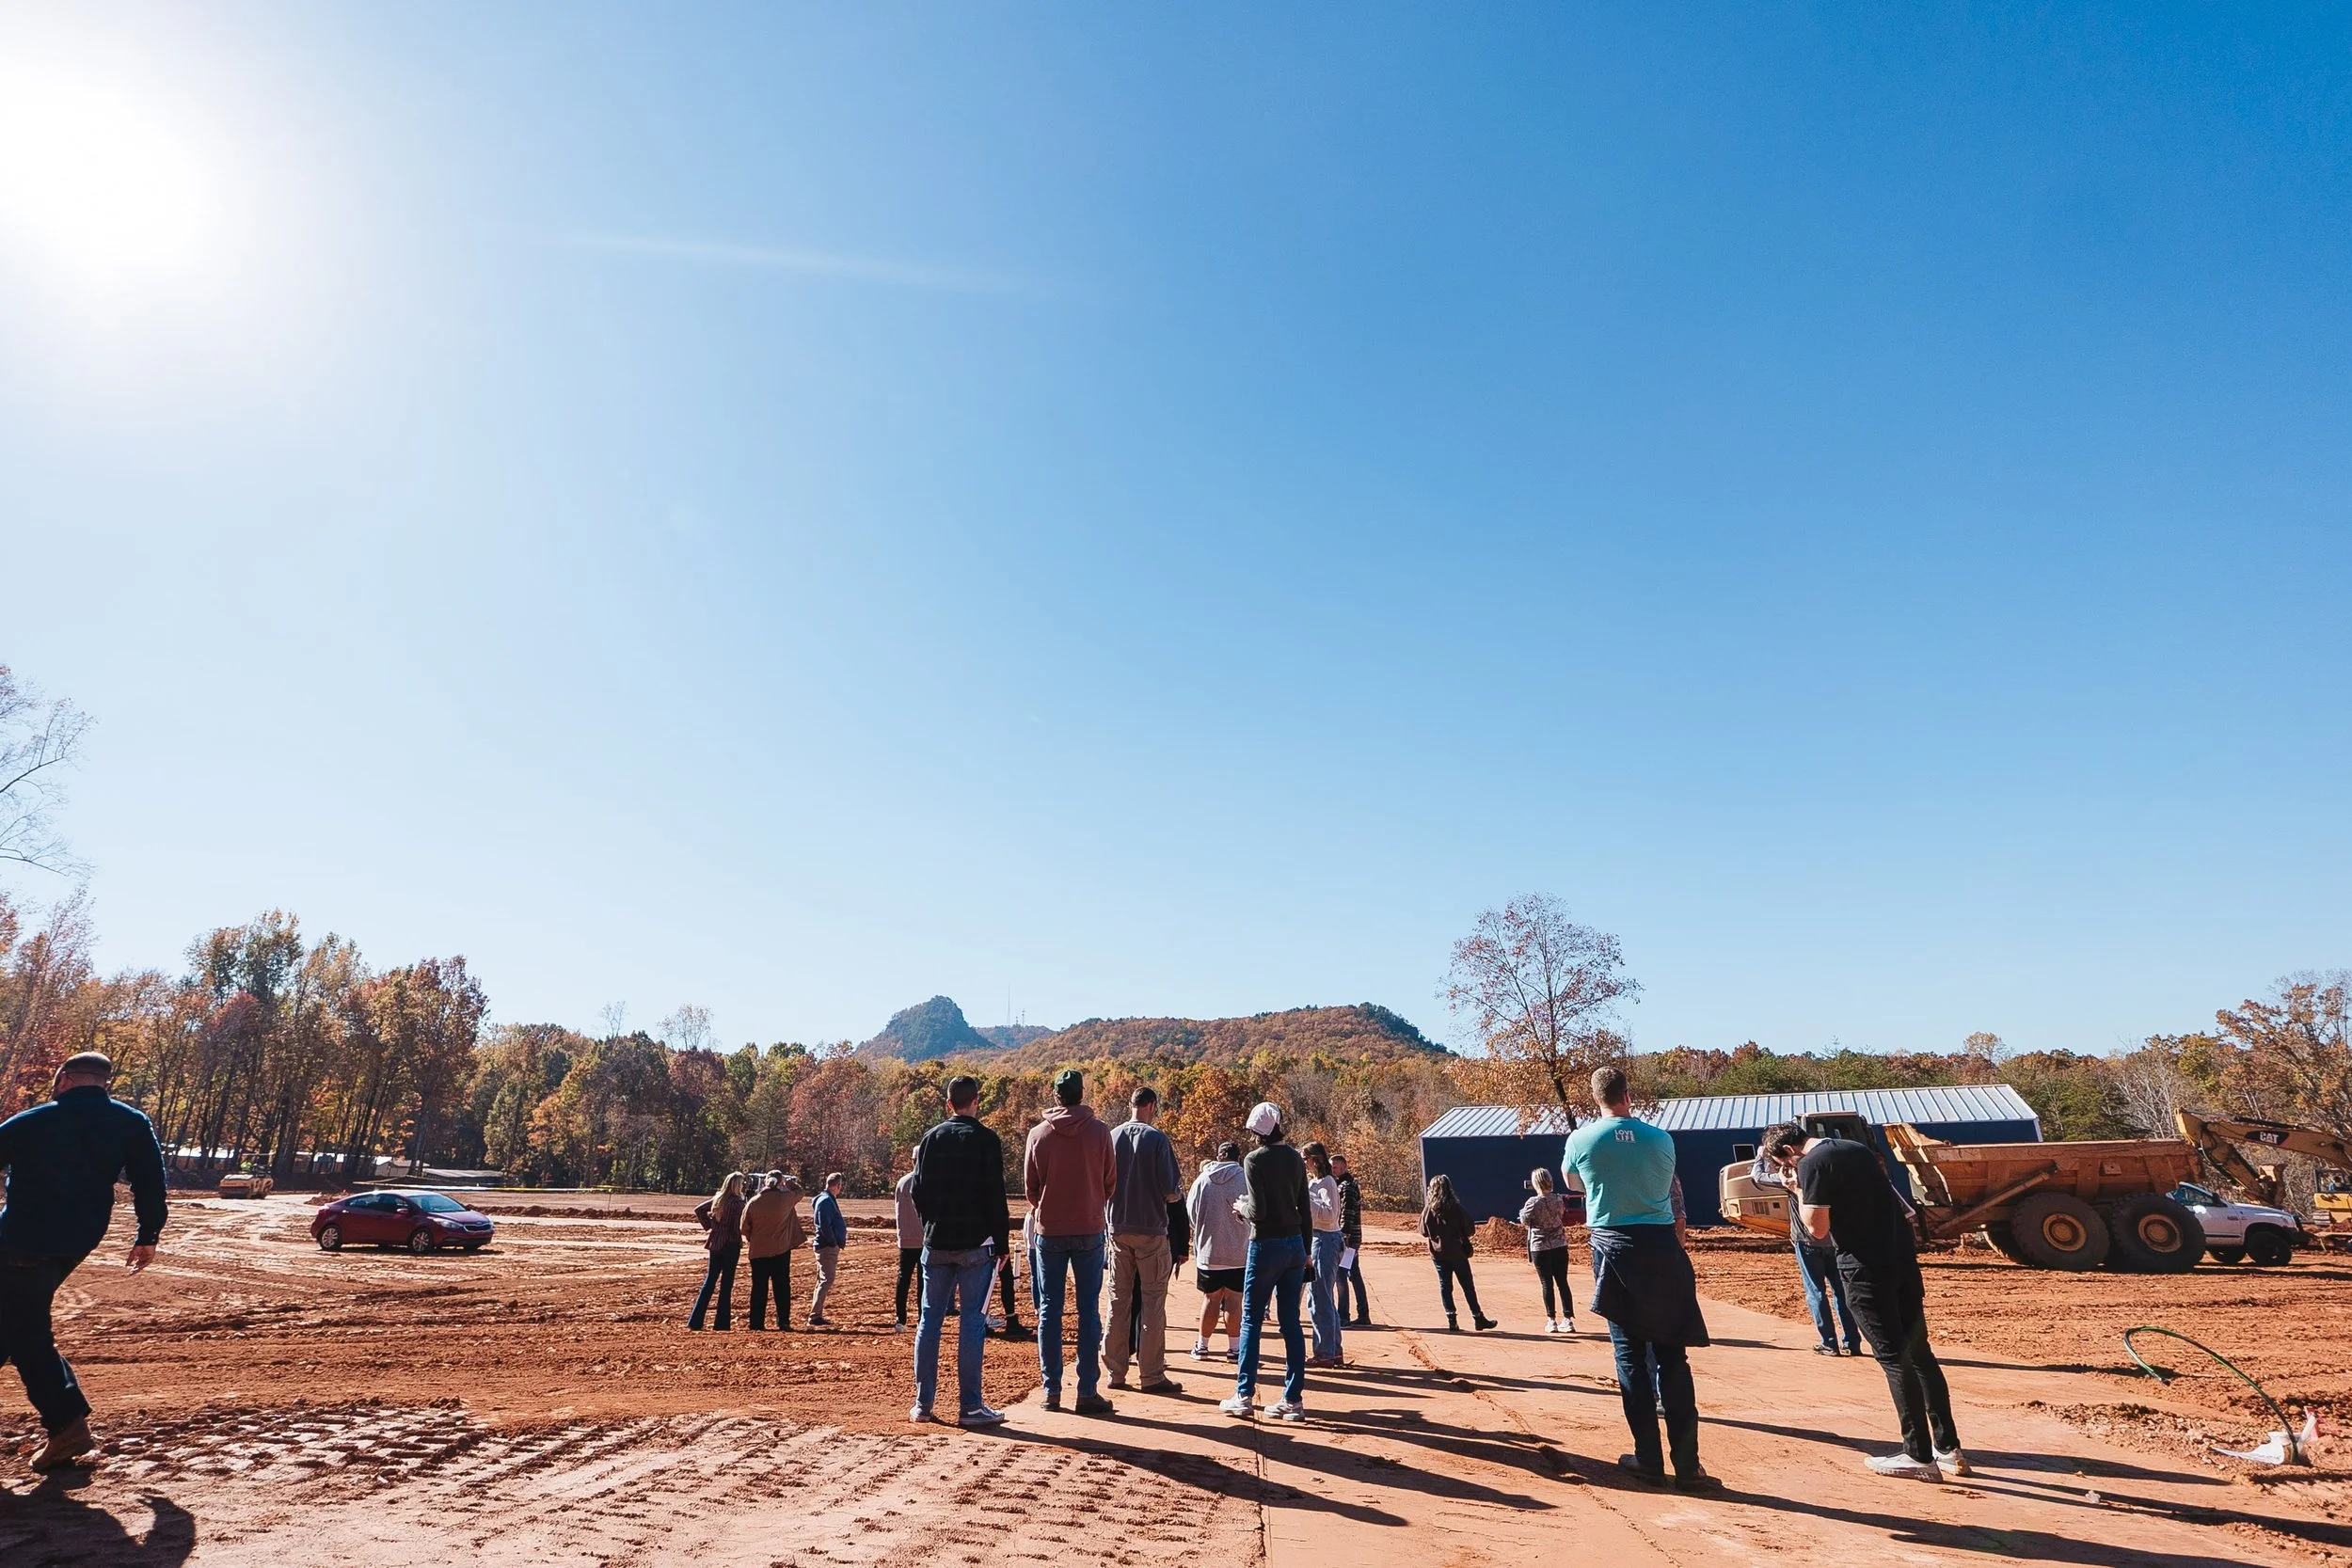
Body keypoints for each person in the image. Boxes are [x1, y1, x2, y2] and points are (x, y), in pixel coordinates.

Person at [1767, 1119, 1967, 1481]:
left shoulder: (1811, 1164)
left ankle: (1918, 1456)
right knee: (1921, 1355)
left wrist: (1795, 1190)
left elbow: (1817, 1229)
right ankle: (1948, 1448)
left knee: (1894, 1359)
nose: (1789, 1170)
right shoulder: (1855, 1149)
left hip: (1863, 1269)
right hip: (1902, 1262)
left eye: (1785, 1164)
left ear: (1788, 1152)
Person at [0, 1052, 167, 1471]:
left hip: (23, 1241)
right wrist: (148, 1235)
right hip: (78, 1240)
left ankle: (68, 1425)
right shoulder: (131, 1122)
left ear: (64, 1080)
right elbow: (150, 1180)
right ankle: (66, 1423)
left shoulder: (32, 1121)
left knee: (26, 1333)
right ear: (105, 1084)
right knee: (12, 1319)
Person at [1564, 1066, 1717, 1493]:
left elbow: (1574, 1184)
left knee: (1630, 1358)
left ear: (1595, 1098)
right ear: (1628, 1095)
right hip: (1663, 1248)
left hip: (1614, 1248)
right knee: (1674, 1359)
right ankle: (1688, 1464)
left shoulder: (1580, 1139)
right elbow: (1667, 1185)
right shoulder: (1661, 1138)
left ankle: (1647, 1459)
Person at [908, 1074, 1011, 1427]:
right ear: (976, 1100)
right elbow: (995, 1196)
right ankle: (970, 1406)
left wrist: (930, 1224)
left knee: (929, 1322)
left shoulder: (930, 1139)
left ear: (948, 1104)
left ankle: (923, 1404)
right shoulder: (986, 1140)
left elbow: (916, 1190)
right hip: (975, 1246)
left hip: (936, 1243)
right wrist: (1001, 1242)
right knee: (972, 1324)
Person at [1024, 1069, 1118, 1415]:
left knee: (1049, 1308)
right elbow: (1110, 1181)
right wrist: (1092, 1202)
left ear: (1055, 1095)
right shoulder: (1100, 1132)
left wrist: (1049, 1206)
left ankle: (1051, 1390)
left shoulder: (1038, 1134)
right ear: (1081, 1094)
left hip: (1050, 1231)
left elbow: (1031, 1187)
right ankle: (1087, 1389)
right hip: (1090, 1229)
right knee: (1088, 1310)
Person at [1220, 1101, 1311, 1422]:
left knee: (1251, 1319)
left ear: (1257, 1132)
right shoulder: (1296, 1159)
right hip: (1295, 1245)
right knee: (1291, 1323)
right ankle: (1293, 1399)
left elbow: (1257, 1212)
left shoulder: (1253, 1160)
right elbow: (1304, 1208)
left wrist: (1240, 1208)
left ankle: (1244, 1395)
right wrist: (1306, 1250)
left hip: (1266, 1246)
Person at [1105, 1085, 1184, 1395]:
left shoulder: (1111, 1137)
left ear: (1131, 1104)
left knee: (1117, 1301)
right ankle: (1151, 1375)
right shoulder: (1157, 1139)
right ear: (1151, 1106)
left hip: (1117, 1229)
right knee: (1152, 1304)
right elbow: (1171, 1191)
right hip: (1151, 1231)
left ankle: (1115, 1371)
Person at [1749, 1144, 1862, 1357]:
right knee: (1841, 1291)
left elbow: (1758, 1177)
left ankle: (1829, 1342)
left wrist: (1760, 1156)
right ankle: (1852, 1341)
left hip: (1806, 1241)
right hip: (1833, 1241)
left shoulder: (1790, 1179)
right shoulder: (1825, 1174)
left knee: (1816, 1292)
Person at [1187, 1143, 1248, 1360]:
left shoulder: (1202, 1179)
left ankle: (1202, 1346)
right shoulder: (1246, 1179)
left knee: (1210, 1299)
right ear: (1238, 1157)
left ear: (1218, 1156)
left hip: (1208, 1251)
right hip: (1238, 1251)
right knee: (1234, 1299)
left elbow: (1191, 1213)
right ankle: (1235, 1348)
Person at [1419, 1175, 1493, 1330]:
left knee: (1445, 1286)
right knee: (1467, 1286)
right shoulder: (1457, 1208)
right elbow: (1470, 1229)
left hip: (1438, 1255)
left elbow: (1423, 1231)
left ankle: (1452, 1319)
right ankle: (1477, 1317)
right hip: (1457, 1253)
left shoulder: (1428, 1210)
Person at [741, 1169, 807, 1331]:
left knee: (758, 1288)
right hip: (781, 1251)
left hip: (757, 1252)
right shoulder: (785, 1199)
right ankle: (783, 1321)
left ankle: (756, 1323)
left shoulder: (754, 1201)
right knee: (782, 1287)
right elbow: (800, 1192)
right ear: (780, 1182)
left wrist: (754, 1238)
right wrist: (790, 1183)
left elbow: (744, 1227)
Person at [1302, 1141, 1345, 1366]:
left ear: (1315, 1159)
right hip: (1319, 1239)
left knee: (1319, 1297)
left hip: (1325, 1239)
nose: (1304, 1163)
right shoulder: (1315, 1182)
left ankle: (1325, 1352)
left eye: (1305, 1159)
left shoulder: (1327, 1182)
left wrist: (1307, 1202)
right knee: (1322, 1296)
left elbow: (1330, 1215)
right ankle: (1332, 1350)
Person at [1518, 1167, 1577, 1334]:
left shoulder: (1532, 1202)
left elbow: (1524, 1220)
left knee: (1547, 1284)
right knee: (1563, 1283)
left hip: (1540, 1246)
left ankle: (1551, 1320)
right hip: (1559, 1244)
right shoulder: (1558, 1200)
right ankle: (1568, 1319)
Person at [689, 1171, 747, 1331]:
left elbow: (699, 1210)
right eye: (742, 1183)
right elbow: (737, 1227)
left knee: (709, 1282)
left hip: (715, 1243)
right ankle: (721, 1324)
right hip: (731, 1245)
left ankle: (695, 1321)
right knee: (726, 1285)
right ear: (737, 1185)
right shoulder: (738, 1204)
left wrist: (710, 1226)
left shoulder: (718, 1199)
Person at [1330, 1152, 1369, 1327]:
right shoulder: (1344, 1184)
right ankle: (1363, 1315)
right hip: (1352, 1238)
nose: (1332, 1170)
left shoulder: (1346, 1187)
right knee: (1354, 1274)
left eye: (1335, 1167)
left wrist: (1344, 1235)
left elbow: (1348, 1212)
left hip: (1348, 1240)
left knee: (1341, 1275)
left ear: (1343, 1167)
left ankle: (1344, 1316)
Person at [809, 1173, 848, 1327]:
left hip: (825, 1245)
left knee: (822, 1280)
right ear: (838, 1185)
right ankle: (815, 1316)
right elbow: (824, 1226)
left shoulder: (824, 1198)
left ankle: (815, 1313)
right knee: (827, 1280)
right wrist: (833, 1242)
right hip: (826, 1246)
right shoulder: (826, 1201)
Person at [893, 1161, 924, 1330]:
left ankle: (900, 1318)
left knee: (903, 1278)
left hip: (905, 1239)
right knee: (922, 1280)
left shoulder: (902, 1182)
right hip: (923, 1239)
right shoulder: (925, 1180)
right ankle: (921, 1318)